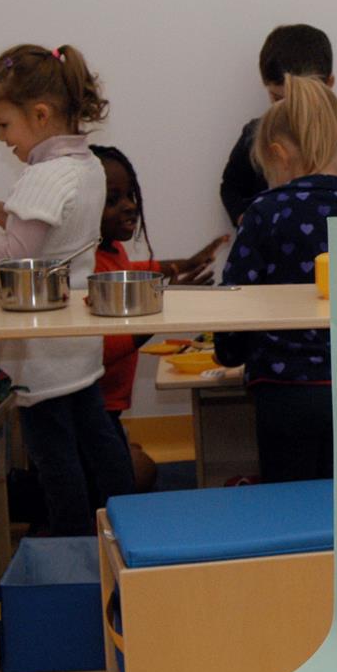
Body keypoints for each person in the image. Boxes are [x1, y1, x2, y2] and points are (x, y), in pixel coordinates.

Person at [0, 44, 135, 535]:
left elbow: (15, 254)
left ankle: (71, 545)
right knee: (96, 436)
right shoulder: (87, 165)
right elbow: (56, 232)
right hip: (78, 338)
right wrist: (3, 211)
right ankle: (132, 526)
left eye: (4, 124)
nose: (1, 137)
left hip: (42, 348)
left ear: (41, 114)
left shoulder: (42, 177)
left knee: (55, 457)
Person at [214, 75, 337, 482]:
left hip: (284, 388)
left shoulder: (265, 213)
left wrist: (228, 352)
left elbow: (235, 301)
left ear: (278, 154)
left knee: (288, 498)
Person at [92, 144, 230, 489]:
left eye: (130, 195)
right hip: (96, 409)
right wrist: (164, 303)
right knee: (141, 473)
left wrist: (182, 264)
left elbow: (135, 272)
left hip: (110, 408)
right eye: (112, 200)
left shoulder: (111, 249)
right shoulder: (91, 263)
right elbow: (102, 350)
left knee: (132, 462)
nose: (129, 206)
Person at [219, 24, 337, 224]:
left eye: (301, 100)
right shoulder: (256, 136)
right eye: (278, 99)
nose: (290, 111)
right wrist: (245, 220)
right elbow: (231, 187)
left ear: (329, 85)